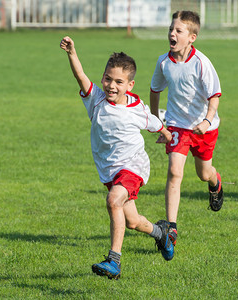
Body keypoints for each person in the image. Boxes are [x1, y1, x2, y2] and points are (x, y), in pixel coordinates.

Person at [60, 36, 174, 280]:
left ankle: (114, 261)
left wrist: (166, 133)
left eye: (119, 82)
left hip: (133, 167)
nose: (112, 85)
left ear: (130, 85)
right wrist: (72, 53)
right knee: (132, 221)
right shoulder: (96, 100)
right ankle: (161, 234)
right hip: (110, 171)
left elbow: (155, 123)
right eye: (108, 79)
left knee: (113, 201)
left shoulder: (137, 108)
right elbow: (81, 77)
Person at [149, 11, 224, 248]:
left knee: (204, 173)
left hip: (203, 129)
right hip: (176, 126)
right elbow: (155, 90)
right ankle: (171, 227)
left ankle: (215, 182)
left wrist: (207, 121)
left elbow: (214, 97)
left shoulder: (201, 62)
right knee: (174, 172)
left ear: (192, 37)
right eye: (171, 29)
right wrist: (157, 124)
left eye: (178, 30)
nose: (172, 33)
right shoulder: (163, 62)